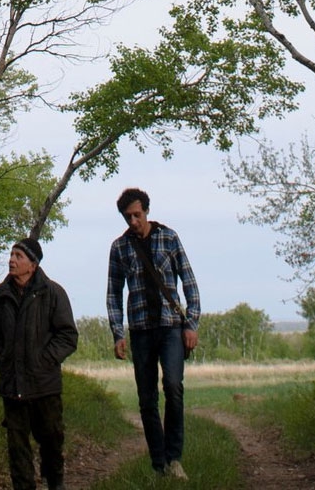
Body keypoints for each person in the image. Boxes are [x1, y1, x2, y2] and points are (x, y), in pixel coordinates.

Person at [106, 188, 200, 481]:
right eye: (128, 216)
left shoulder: (168, 237)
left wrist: (191, 324)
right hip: (141, 330)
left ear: (146, 211)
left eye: (137, 214)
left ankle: (175, 459)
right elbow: (113, 292)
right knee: (147, 400)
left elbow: (189, 283)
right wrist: (117, 333)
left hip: (171, 326)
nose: (133, 221)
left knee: (173, 387)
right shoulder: (119, 247)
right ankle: (158, 465)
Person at [0, 237, 78, 490]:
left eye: (19, 256)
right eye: (11, 254)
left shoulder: (53, 293)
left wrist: (45, 359)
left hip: (44, 385)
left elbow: (68, 336)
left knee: (51, 439)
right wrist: (0, 356)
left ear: (33, 264)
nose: (12, 260)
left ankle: (55, 482)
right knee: (17, 448)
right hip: (11, 384)